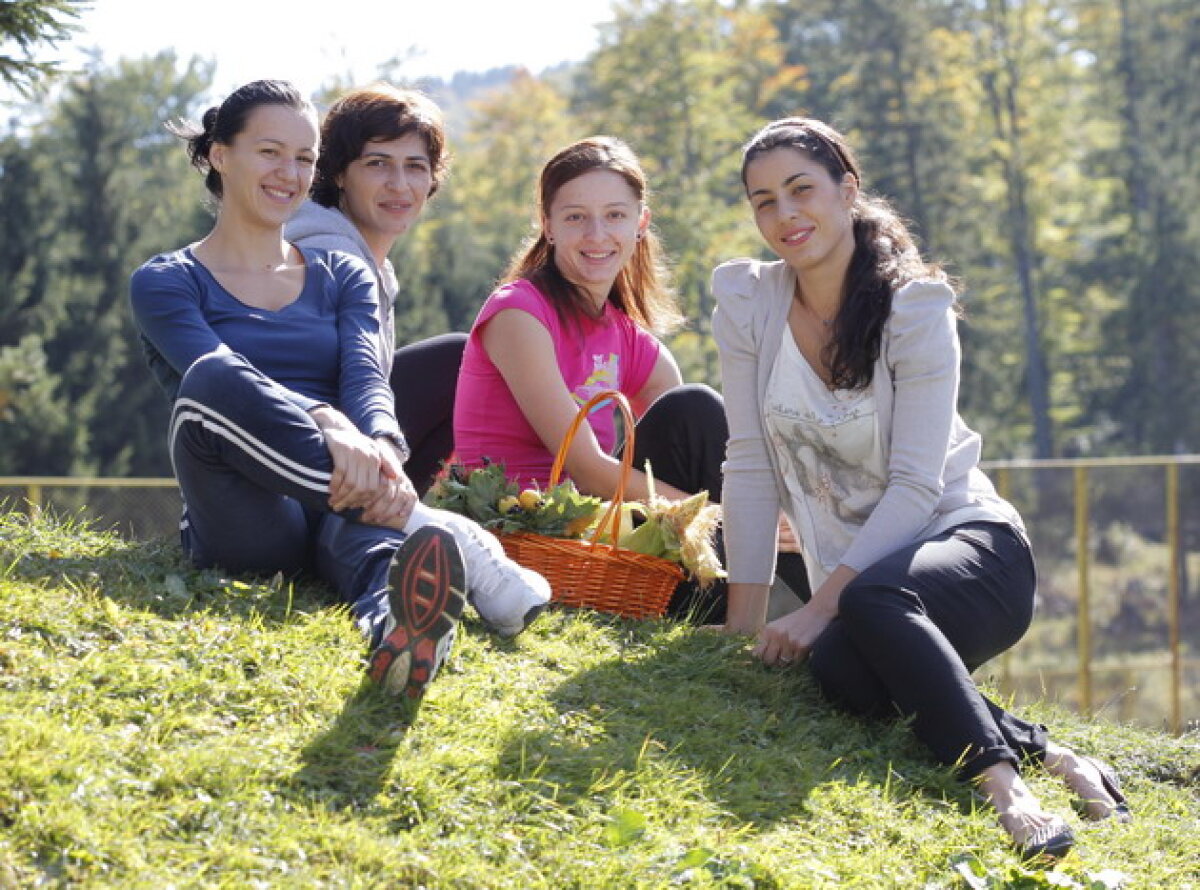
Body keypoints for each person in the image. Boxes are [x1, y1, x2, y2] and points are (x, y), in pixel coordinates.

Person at [712, 117, 1131, 858]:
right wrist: (744, 625)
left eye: (801, 190)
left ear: (847, 190)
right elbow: (748, 464)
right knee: (845, 674)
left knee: (868, 601)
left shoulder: (915, 310)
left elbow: (914, 488)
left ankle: (1011, 794)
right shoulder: (751, 303)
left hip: (973, 553)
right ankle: (1057, 756)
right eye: (764, 200)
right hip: (866, 584)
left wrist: (813, 609)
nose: (785, 216)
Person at [129, 79, 471, 700]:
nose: (290, 173)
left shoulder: (341, 272)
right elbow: (212, 372)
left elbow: (366, 375)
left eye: (305, 158)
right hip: (246, 514)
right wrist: (327, 422)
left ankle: (399, 629)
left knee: (371, 554)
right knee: (210, 380)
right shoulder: (167, 281)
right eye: (269, 152)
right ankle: (379, 505)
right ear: (219, 155)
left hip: (347, 487)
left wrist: (384, 449)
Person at [285, 83, 550, 638]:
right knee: (457, 359)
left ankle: (397, 529)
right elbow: (317, 384)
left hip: (348, 460)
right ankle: (435, 537)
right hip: (299, 455)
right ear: (338, 173)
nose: (399, 184)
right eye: (378, 164)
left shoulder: (369, 261)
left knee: (457, 364)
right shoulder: (322, 254)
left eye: (415, 166)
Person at [453, 136, 746, 621]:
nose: (596, 234)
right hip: (529, 532)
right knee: (697, 414)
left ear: (640, 224)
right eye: (575, 217)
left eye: (614, 215)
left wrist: (748, 506)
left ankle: (775, 602)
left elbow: (689, 433)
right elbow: (586, 467)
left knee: (696, 410)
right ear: (547, 226)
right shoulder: (518, 313)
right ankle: (737, 601)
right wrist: (726, 517)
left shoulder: (626, 335)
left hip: (596, 531)